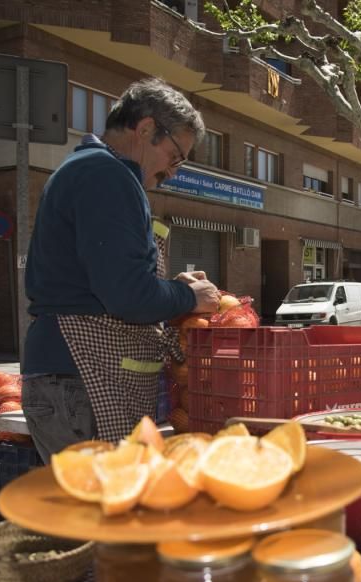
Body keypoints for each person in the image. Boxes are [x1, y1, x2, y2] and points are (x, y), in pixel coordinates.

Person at [22, 78, 220, 462]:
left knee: (96, 515)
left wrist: (169, 289)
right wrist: (188, 297)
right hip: (80, 380)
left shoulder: (92, 172)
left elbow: (115, 279)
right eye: (175, 156)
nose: (173, 172)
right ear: (146, 129)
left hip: (73, 382)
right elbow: (128, 295)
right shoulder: (107, 176)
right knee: (97, 516)